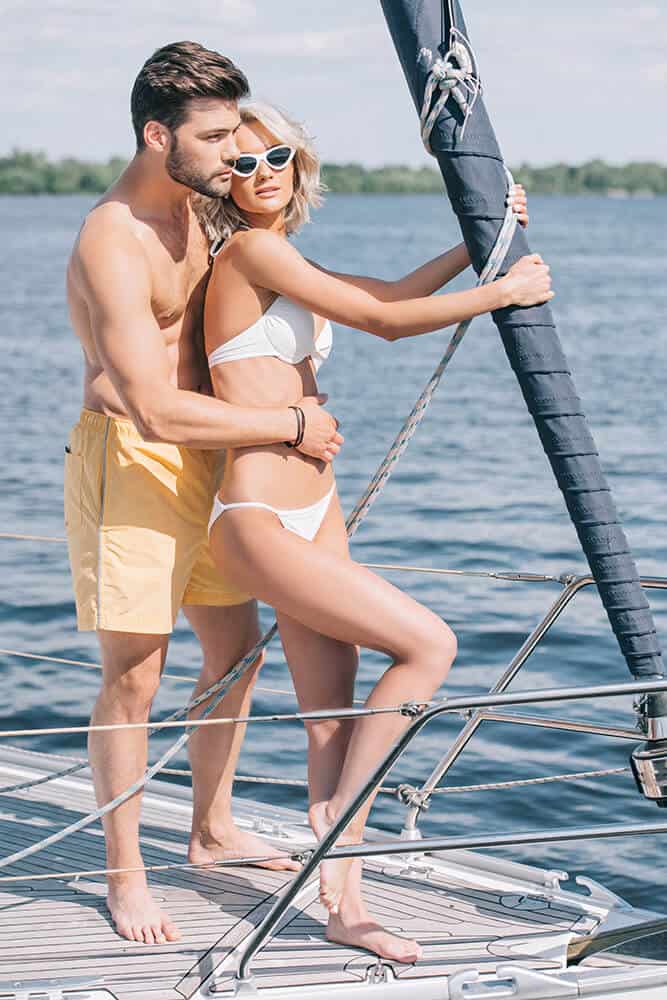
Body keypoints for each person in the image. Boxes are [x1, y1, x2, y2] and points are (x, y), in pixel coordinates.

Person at [197, 102, 549, 963]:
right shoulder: (248, 250)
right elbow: (383, 325)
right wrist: (503, 291)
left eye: (274, 154)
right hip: (258, 515)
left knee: (331, 721)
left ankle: (343, 906)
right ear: (222, 183)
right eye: (240, 165)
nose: (263, 172)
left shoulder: (286, 253)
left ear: (297, 157)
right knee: (428, 645)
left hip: (315, 510)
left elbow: (383, 294)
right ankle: (339, 829)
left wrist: (478, 242)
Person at [64, 44, 343, 947]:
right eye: (215, 135)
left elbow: (295, 256)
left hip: (213, 459)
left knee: (236, 651)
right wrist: (288, 428)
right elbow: (145, 401)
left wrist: (480, 236)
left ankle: (211, 828)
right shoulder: (113, 238)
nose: (233, 152)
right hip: (137, 461)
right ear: (157, 135)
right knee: (134, 674)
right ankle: (124, 872)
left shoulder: (204, 204)